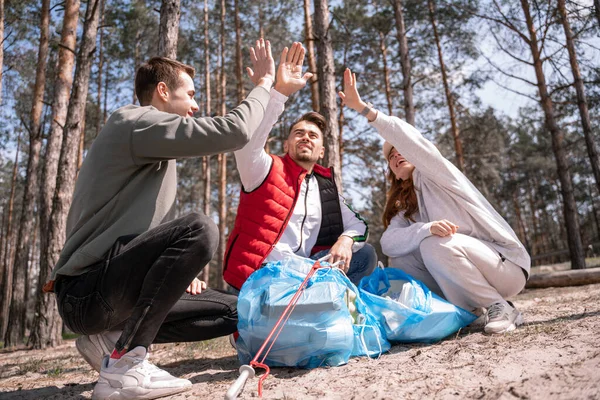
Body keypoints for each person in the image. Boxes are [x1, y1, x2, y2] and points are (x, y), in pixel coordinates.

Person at [46, 39, 276, 400]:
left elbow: (137, 234)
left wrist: (173, 271)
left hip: (110, 291)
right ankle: (124, 366)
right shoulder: (133, 122)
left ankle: (108, 342)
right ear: (163, 91)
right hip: (86, 292)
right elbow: (235, 131)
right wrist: (264, 86)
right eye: (191, 94)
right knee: (201, 227)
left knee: (235, 311)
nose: (197, 105)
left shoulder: (153, 151)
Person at [338, 68, 530, 334]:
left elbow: (409, 139)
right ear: (391, 172)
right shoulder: (406, 207)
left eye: (400, 150)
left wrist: (364, 109)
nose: (396, 156)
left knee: (433, 244)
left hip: (504, 265)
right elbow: (389, 242)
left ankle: (501, 306)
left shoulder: (437, 175)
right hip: (465, 267)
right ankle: (468, 312)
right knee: (401, 257)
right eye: (391, 157)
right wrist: (424, 228)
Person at [223, 43, 376, 292]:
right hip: (262, 277)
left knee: (365, 255)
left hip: (307, 273)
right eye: (299, 133)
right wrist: (279, 93)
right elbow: (247, 144)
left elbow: (359, 225)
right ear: (287, 143)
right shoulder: (264, 168)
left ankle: (332, 310)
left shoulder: (326, 189)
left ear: (322, 151)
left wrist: (346, 241)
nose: (306, 137)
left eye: (313, 136)